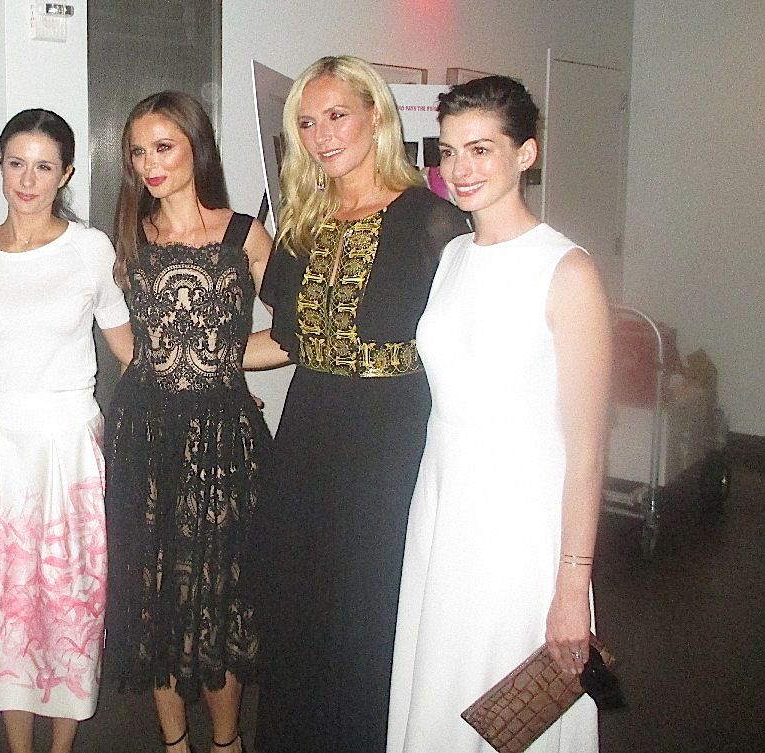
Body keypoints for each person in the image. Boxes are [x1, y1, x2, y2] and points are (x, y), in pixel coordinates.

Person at [244, 56, 470, 752]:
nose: (322, 135)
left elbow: (467, 349)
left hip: (391, 441)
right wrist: (186, 356)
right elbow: (287, 339)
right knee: (299, 605)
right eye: (308, 123)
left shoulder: (434, 220)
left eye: (337, 115)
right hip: (307, 434)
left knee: (372, 611)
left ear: (376, 115)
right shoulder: (303, 224)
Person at [387, 75, 610, 753]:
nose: (460, 168)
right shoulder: (454, 253)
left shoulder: (566, 271)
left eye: (481, 149)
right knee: (441, 686)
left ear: (526, 154)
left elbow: (588, 450)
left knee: (510, 704)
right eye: (450, 150)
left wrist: (572, 582)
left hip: (518, 524)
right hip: (443, 504)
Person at [0, 108, 132, 753]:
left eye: (43, 166)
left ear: (66, 173)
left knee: (65, 605)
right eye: (16, 163)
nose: (27, 180)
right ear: (0, 166)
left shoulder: (89, 249)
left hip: (63, 449)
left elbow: (127, 348)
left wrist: (194, 387)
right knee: (2, 610)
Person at [104, 91, 272, 753]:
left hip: (221, 442)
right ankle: (174, 744)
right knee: (154, 598)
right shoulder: (129, 239)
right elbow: (131, 344)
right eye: (138, 152)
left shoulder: (243, 234)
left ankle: (227, 744)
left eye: (163, 147)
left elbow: (296, 331)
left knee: (215, 598)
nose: (149, 163)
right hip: (143, 437)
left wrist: (219, 361)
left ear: (196, 148)